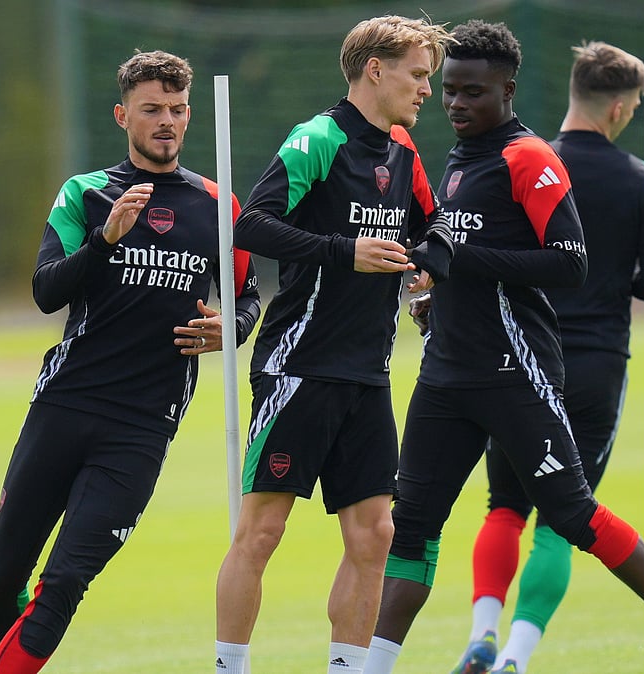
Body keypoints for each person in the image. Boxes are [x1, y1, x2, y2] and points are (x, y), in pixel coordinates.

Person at [364, 20, 644, 674]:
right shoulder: (456, 158)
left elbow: (569, 264)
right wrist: (430, 289)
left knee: (571, 514)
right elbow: (459, 259)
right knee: (413, 524)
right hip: (446, 374)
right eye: (447, 90)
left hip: (517, 373)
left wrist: (459, 257)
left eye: (471, 92)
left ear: (507, 90)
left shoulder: (530, 156)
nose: (453, 103)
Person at [0, 49, 262, 674]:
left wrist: (231, 331)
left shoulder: (218, 203)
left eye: (178, 110)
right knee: (2, 584)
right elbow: (47, 290)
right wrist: (107, 239)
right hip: (63, 406)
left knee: (63, 586)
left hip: (141, 426)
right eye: (152, 109)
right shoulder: (86, 193)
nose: (168, 120)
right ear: (122, 115)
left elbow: (245, 299)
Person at [212, 15, 456, 674]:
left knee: (375, 535)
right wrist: (343, 252)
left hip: (368, 373)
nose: (427, 90)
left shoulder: (405, 151)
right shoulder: (316, 138)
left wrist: (430, 264)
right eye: (417, 75)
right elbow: (250, 225)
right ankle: (229, 667)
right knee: (262, 531)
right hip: (299, 365)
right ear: (375, 70)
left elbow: (431, 228)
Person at [445, 40, 644, 674]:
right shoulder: (642, 176)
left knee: (504, 506)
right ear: (623, 108)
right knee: (563, 519)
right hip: (597, 362)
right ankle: (517, 658)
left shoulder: (521, 160)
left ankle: (481, 633)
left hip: (517, 356)